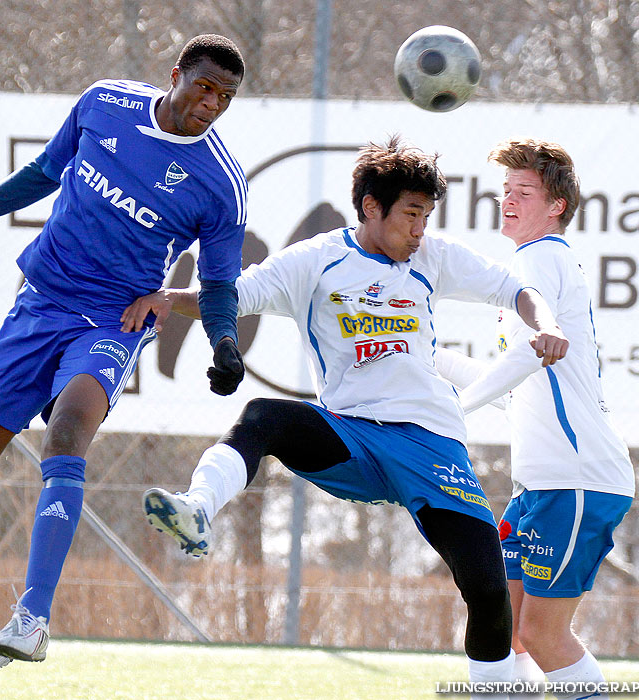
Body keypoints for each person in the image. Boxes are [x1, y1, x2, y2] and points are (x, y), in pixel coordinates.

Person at [123, 136, 570, 700]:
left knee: (485, 588)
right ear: (370, 208)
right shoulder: (316, 260)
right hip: (352, 437)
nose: (419, 230)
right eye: (411, 215)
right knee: (264, 414)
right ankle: (198, 508)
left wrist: (544, 323)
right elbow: (232, 294)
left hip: (432, 446)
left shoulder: (432, 257)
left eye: (427, 216)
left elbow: (518, 289)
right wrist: (169, 297)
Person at [0, 34, 248, 699]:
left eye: (225, 98)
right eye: (204, 87)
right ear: (175, 74)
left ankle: (33, 619)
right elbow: (42, 174)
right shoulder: (105, 102)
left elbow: (218, 284)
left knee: (67, 431)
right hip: (38, 303)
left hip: (110, 321)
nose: (210, 105)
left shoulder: (220, 184)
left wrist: (223, 343)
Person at [436, 139, 634, 700]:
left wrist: (455, 410)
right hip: (542, 486)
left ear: (557, 207)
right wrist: (422, 354)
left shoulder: (542, 256)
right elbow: (515, 384)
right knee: (509, 631)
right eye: (504, 192)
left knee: (542, 635)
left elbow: (529, 356)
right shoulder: (526, 269)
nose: (507, 201)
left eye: (523, 192)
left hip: (577, 481)